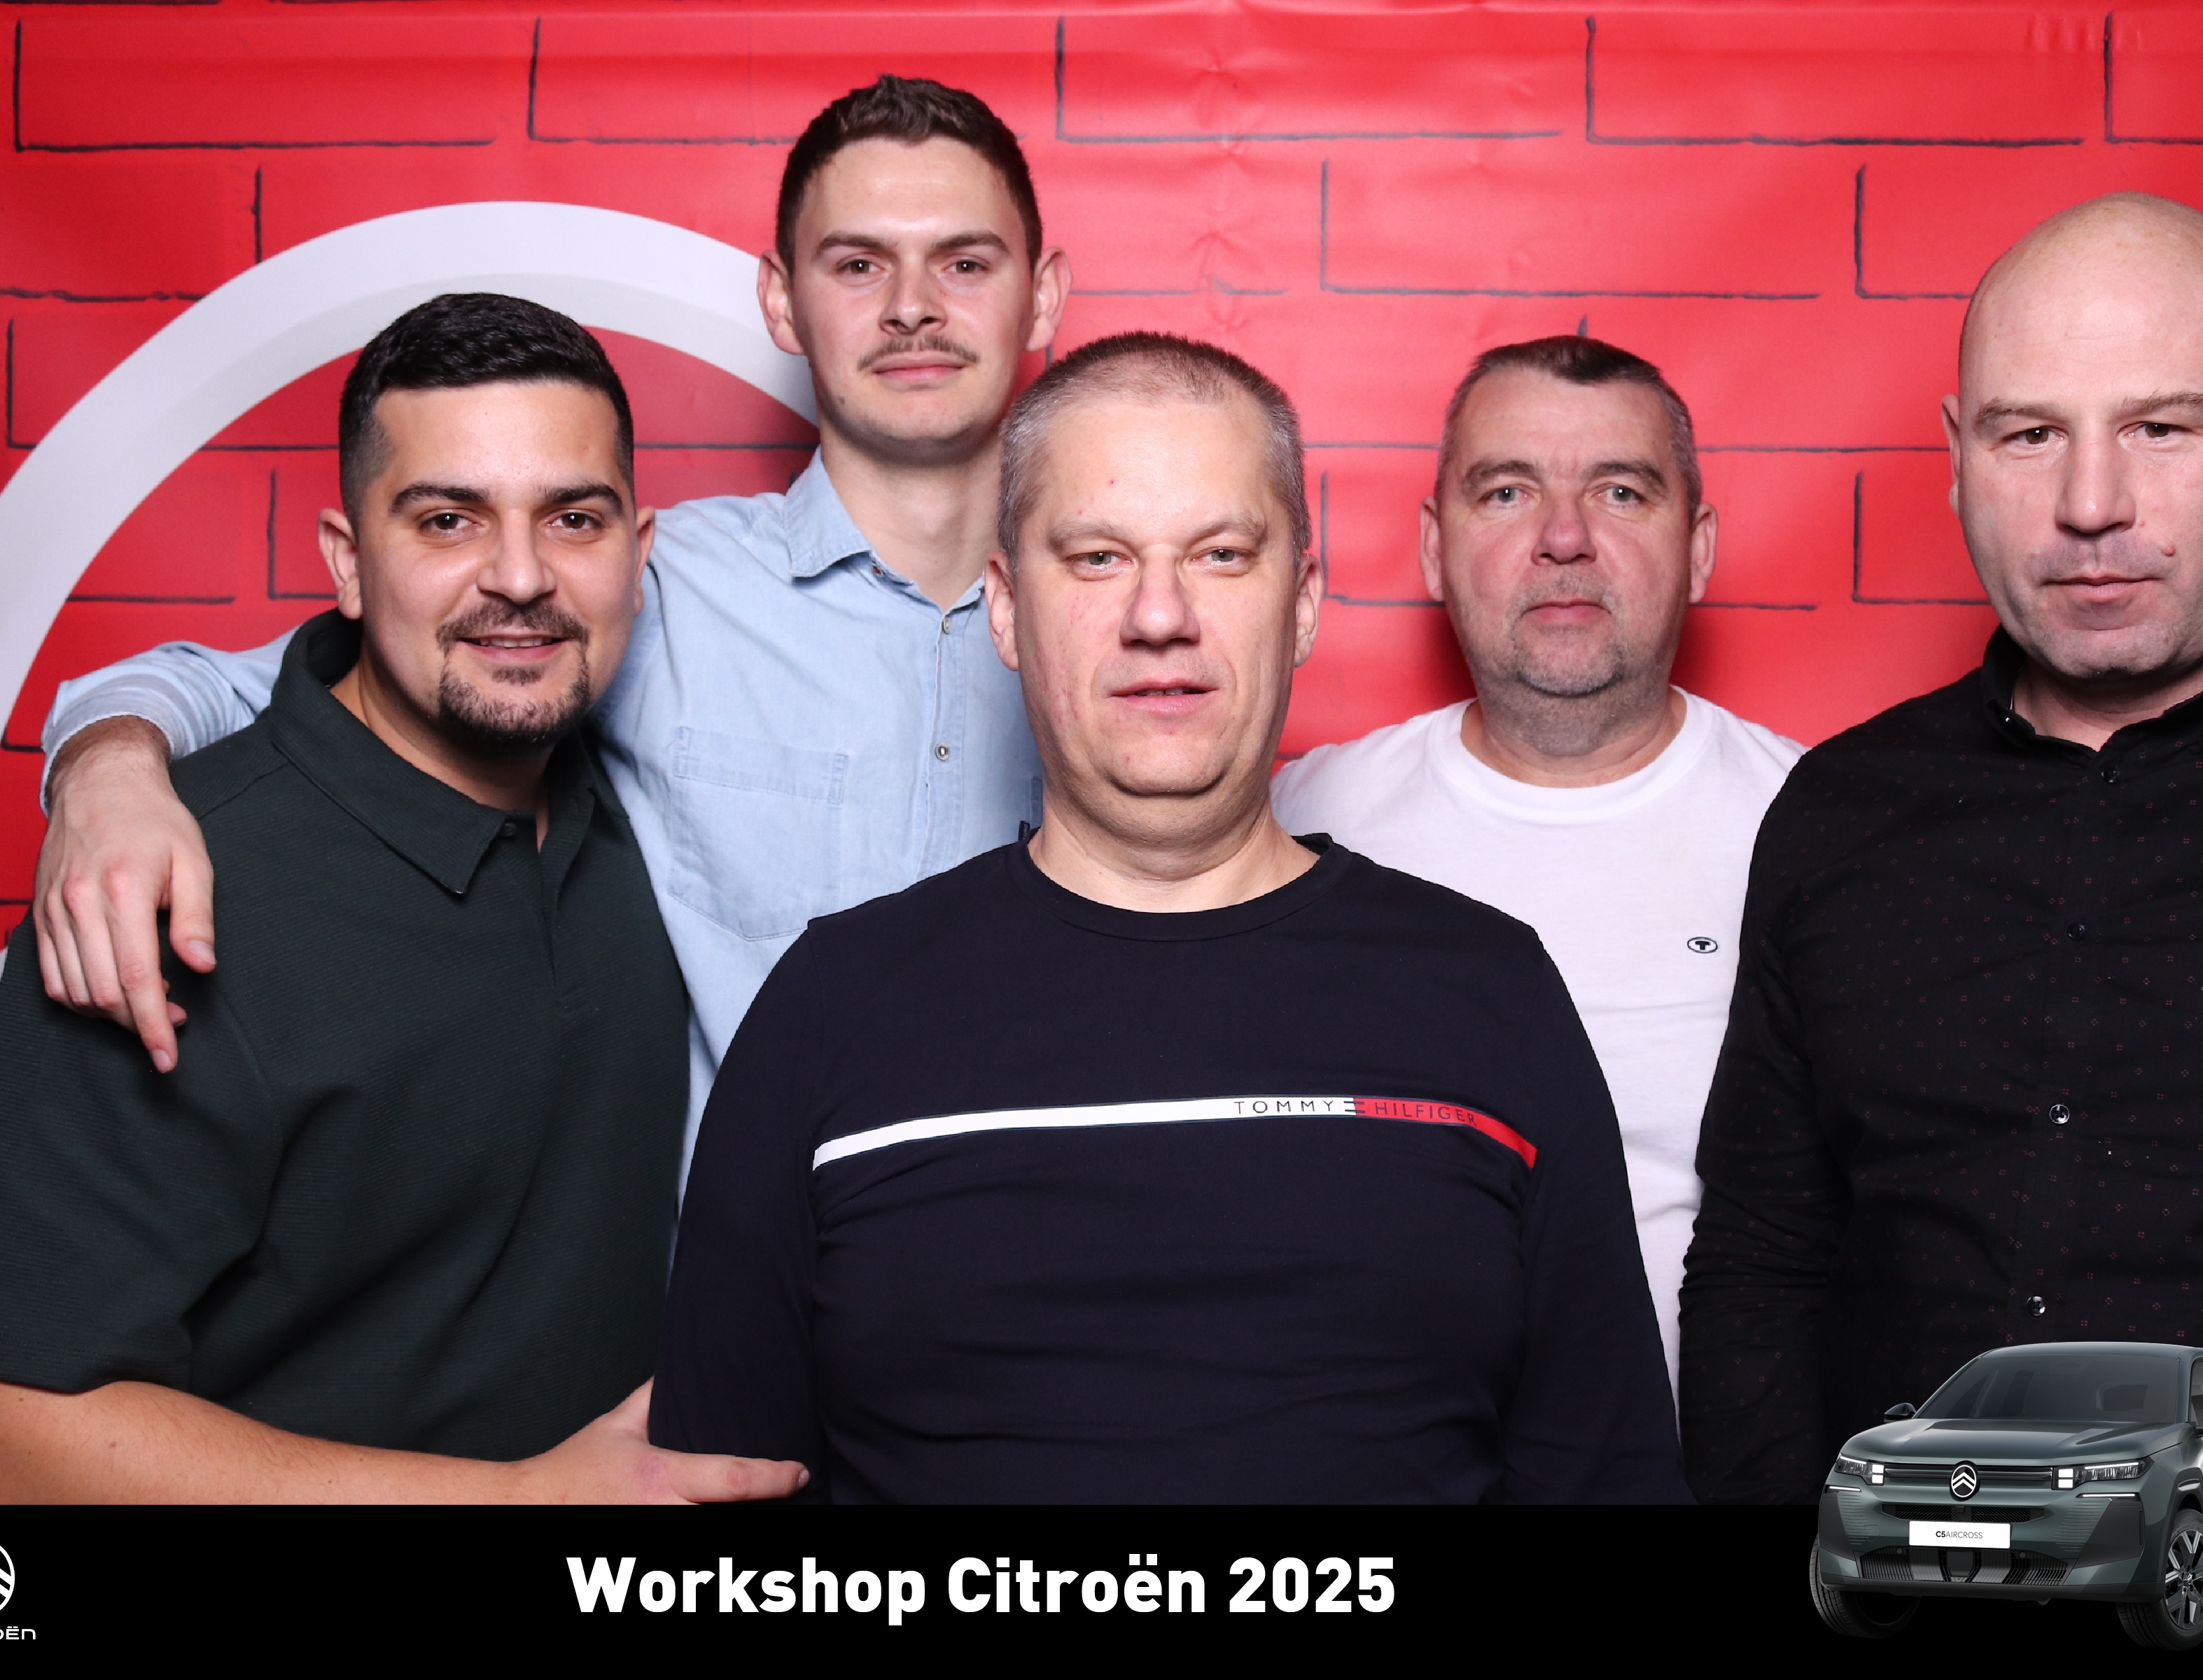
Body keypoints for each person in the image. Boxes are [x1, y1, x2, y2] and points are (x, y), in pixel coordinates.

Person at [648, 332, 1689, 1504]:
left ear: (1302, 604)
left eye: (1221, 555)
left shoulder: (1489, 991)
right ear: (1007, 608)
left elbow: (1610, 1484)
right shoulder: (832, 1005)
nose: (1159, 615)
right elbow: (718, 1497)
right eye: (1097, 558)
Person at [24, 78, 1070, 1166]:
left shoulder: (1114, 616)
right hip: (744, 1265)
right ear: (780, 302)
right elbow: (239, 688)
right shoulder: (643, 588)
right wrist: (107, 777)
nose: (911, 308)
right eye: (858, 265)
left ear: (1041, 299)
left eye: (965, 263)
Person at [0, 294, 804, 1504]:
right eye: (447, 520)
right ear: (347, 561)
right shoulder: (158, 890)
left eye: (573, 518)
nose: (520, 577)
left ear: (638, 555)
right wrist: (517, 1502)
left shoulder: (650, 814)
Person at [1680, 192, 2203, 1503]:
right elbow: (1762, 1261)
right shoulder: (1842, 808)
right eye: (2031, 434)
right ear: (1958, 458)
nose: (2091, 504)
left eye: (2162, 428)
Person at [1271, 336, 1801, 1390]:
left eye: (1620, 491)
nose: (1565, 539)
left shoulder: (1818, 829)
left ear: (1698, 547)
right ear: (1434, 548)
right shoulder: (1298, 824)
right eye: (1507, 492)